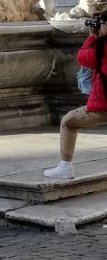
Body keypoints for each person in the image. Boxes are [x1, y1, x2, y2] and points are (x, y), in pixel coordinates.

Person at [44, 13, 107, 180]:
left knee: (68, 122)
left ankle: (65, 167)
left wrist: (92, 36)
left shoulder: (102, 46)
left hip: (103, 106)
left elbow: (82, 58)